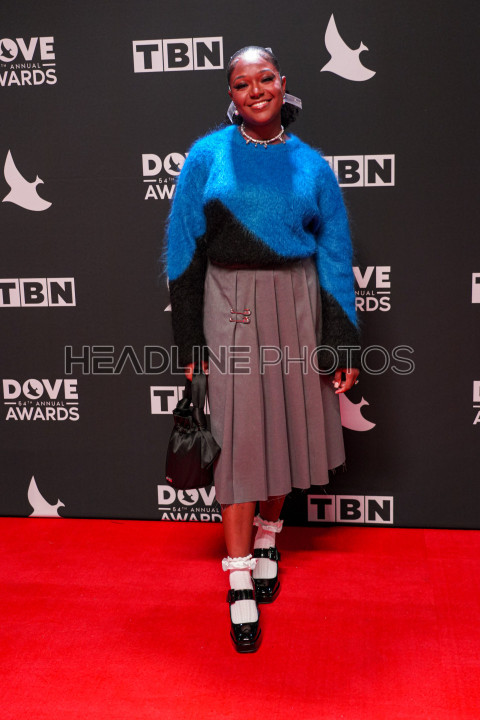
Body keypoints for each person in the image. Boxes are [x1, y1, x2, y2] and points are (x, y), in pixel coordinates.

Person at [165, 46, 360, 653]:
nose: (256, 90)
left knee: (287, 426)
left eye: (265, 79)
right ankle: (239, 576)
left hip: (298, 304)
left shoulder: (312, 165)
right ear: (231, 94)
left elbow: (335, 255)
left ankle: (270, 535)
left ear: (283, 83)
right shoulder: (207, 156)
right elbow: (183, 251)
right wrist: (190, 342)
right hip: (230, 303)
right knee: (239, 437)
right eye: (242, 83)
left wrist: (341, 341)